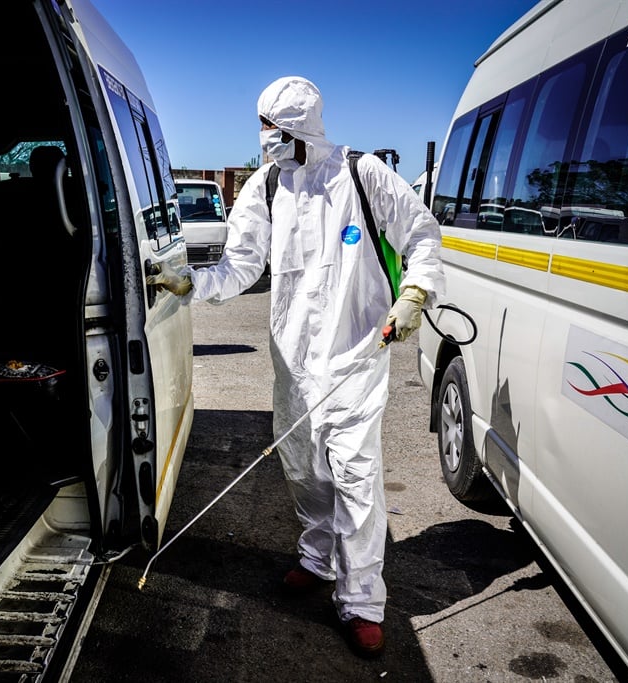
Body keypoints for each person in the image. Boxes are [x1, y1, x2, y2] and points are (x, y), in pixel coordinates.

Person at [147, 76, 445, 658]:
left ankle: (361, 603)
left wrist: (415, 296)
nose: (268, 143)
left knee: (356, 479)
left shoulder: (363, 175)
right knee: (304, 467)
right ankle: (317, 558)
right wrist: (195, 284)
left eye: (278, 132)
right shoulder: (265, 187)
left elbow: (423, 238)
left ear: (304, 128)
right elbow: (241, 264)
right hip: (293, 361)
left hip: (357, 358)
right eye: (264, 132)